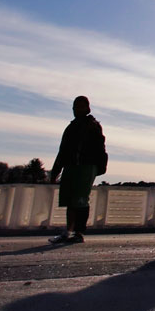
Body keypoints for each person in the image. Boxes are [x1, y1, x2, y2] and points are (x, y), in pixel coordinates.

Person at [49, 96, 107, 244]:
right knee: (70, 200)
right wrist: (56, 170)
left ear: (88, 109)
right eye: (75, 107)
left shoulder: (93, 126)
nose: (77, 110)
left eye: (81, 107)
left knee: (80, 200)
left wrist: (98, 168)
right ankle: (68, 231)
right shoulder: (71, 127)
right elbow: (63, 151)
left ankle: (78, 233)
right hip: (71, 166)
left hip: (86, 167)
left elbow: (100, 148)